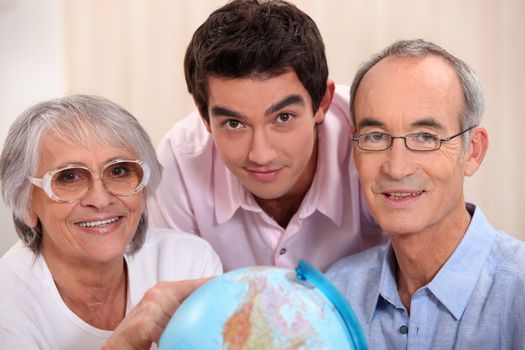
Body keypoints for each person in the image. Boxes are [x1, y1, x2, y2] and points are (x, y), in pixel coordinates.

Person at [148, 0, 384, 272]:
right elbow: (180, 294)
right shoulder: (178, 160)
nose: (261, 155)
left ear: (322, 102)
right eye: (234, 124)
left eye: (283, 118)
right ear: (205, 118)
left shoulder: (376, 141)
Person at [327, 39, 525, 348]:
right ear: (355, 152)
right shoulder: (337, 292)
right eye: (376, 136)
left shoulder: (518, 292)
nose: (396, 167)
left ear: (472, 151)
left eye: (425, 137)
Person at [0, 95, 222, 349]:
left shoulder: (187, 261)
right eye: (69, 177)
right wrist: (122, 343)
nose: (101, 199)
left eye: (119, 171)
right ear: (26, 204)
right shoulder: (5, 305)